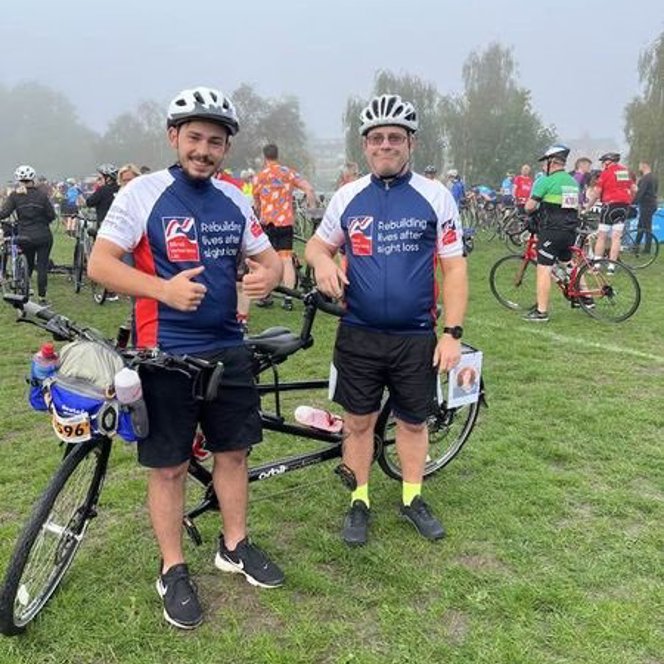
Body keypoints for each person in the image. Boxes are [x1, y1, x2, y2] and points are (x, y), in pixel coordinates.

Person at [88, 85, 284, 630]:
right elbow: (100, 266)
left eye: (215, 141)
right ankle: (173, 567)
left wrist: (269, 276)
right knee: (170, 466)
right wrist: (162, 290)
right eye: (194, 137)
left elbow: (270, 262)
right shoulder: (143, 193)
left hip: (227, 349)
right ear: (174, 137)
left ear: (227, 148)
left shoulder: (236, 198)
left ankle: (234, 544)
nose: (204, 149)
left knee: (234, 453)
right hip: (164, 354)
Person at [305, 93, 468, 546]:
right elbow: (317, 246)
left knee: (414, 423)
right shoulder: (348, 196)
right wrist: (321, 262)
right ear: (365, 146)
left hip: (416, 335)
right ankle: (359, 500)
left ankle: (412, 497)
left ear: (410, 143)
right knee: (358, 422)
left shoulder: (435, 197)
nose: (385, 145)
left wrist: (452, 334)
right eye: (376, 138)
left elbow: (454, 268)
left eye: (395, 138)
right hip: (359, 334)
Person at [253, 143, 317, 310]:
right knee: (286, 260)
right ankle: (288, 298)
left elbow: (256, 202)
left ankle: (264, 296)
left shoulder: (259, 176)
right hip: (285, 222)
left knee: (266, 261)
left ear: (264, 156)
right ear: (277, 155)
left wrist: (261, 210)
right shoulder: (287, 173)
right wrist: (312, 209)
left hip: (267, 223)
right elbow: (309, 188)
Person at [522, 145, 580, 322]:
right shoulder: (572, 182)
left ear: (552, 163)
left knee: (544, 269)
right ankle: (585, 297)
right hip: (570, 231)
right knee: (567, 263)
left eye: (544, 163)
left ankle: (541, 311)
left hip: (551, 231)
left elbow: (529, 206)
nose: (542, 167)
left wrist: (530, 209)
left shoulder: (544, 181)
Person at [0, 165, 56, 305]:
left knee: (28, 263)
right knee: (42, 266)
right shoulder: (42, 195)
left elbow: (4, 213)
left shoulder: (15, 195)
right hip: (43, 234)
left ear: (18, 179)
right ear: (33, 178)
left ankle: (26, 288)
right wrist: (43, 221)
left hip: (25, 235)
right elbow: (52, 215)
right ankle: (42, 298)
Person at [584, 152, 636, 264]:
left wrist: (588, 207)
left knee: (602, 236)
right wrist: (629, 200)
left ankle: (597, 264)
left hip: (609, 206)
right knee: (616, 237)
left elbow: (597, 193)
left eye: (603, 162)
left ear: (608, 161)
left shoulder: (606, 173)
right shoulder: (624, 172)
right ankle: (612, 266)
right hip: (623, 206)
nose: (602, 164)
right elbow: (634, 189)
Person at [633, 160, 658, 254]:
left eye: (640, 165)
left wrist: (633, 202)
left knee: (647, 228)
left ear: (645, 165)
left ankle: (647, 249)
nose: (639, 168)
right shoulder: (654, 177)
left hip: (647, 205)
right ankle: (636, 246)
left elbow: (640, 192)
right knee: (641, 226)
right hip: (651, 204)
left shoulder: (646, 178)